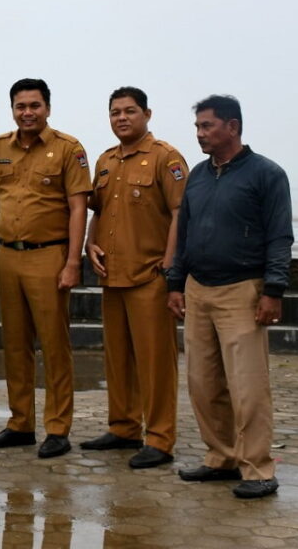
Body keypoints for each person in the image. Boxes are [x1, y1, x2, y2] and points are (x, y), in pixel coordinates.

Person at [167, 94, 293, 499]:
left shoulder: (267, 174)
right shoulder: (199, 176)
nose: (200, 134)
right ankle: (220, 457)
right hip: (198, 289)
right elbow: (183, 234)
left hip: (244, 290)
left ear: (232, 126)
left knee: (248, 386)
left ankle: (257, 468)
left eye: (207, 126)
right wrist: (175, 283)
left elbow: (279, 237)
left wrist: (273, 290)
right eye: (198, 127)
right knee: (203, 383)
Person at [0, 78, 92, 458]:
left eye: (35, 105)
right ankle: (20, 423)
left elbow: (78, 209)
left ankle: (58, 428)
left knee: (55, 345)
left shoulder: (69, 150)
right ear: (13, 109)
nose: (28, 112)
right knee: (15, 344)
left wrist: (74, 262)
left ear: (48, 108)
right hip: (7, 256)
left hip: (49, 257)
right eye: (21, 106)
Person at [80, 87, 187, 469]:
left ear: (147, 114)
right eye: (114, 112)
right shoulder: (106, 161)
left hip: (150, 276)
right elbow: (98, 210)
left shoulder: (166, 158)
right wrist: (89, 245)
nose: (121, 118)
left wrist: (171, 265)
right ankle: (123, 427)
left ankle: (159, 438)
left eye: (129, 111)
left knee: (156, 364)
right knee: (118, 359)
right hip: (112, 276)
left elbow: (180, 213)